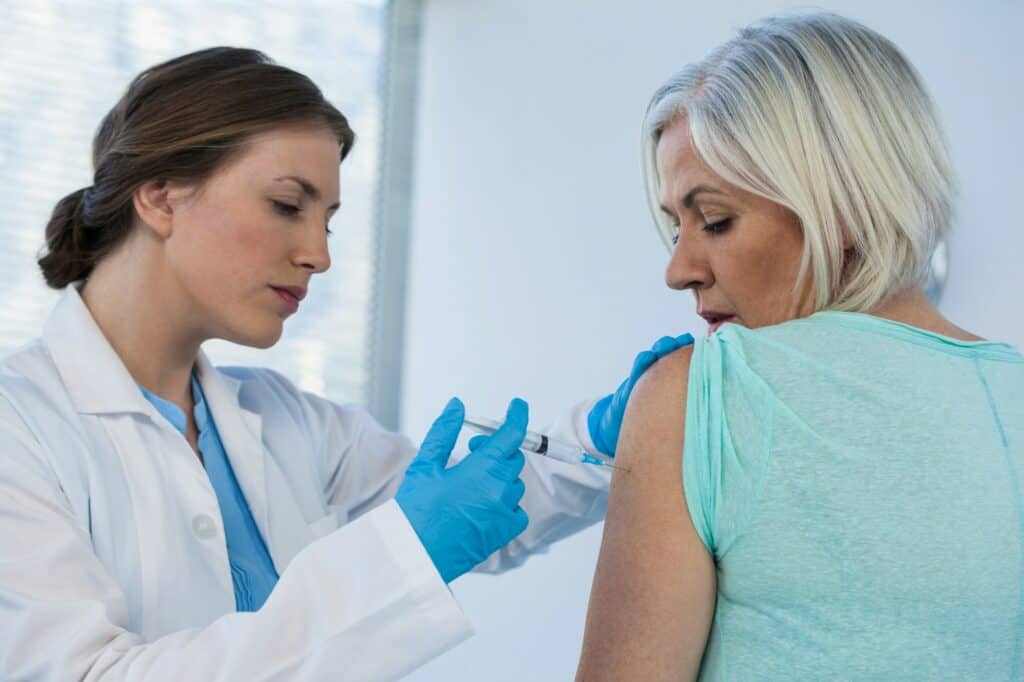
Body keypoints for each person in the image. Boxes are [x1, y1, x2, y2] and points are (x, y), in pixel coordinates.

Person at [0, 48, 692, 680]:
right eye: (285, 205)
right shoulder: (20, 428)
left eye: (326, 220)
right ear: (157, 195)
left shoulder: (283, 421)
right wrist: (403, 556)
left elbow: (487, 503)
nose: (318, 255)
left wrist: (609, 435)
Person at [577, 12, 1023, 680]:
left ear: (845, 206)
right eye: (677, 228)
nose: (679, 270)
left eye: (717, 220)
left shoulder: (698, 394)